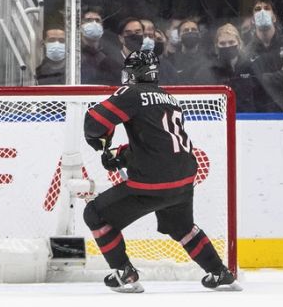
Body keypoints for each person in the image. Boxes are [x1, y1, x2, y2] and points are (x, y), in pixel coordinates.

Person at [82, 50, 240, 293]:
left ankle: (125, 272)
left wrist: (101, 142)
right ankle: (220, 272)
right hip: (185, 178)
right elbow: (158, 144)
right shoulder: (169, 98)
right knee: (182, 227)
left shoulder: (131, 93)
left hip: (152, 181)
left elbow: (93, 122)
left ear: (134, 73)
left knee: (94, 214)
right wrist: (121, 156)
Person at [245, 0, 283, 112]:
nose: (262, 12)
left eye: (267, 8)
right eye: (257, 9)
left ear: (274, 17)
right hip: (259, 112)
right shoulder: (248, 51)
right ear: (253, 19)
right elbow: (252, 84)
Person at [205, 23, 257, 112]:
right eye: (222, 43)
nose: (227, 46)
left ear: (239, 43)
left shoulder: (250, 66)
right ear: (216, 46)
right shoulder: (212, 70)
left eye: (231, 42)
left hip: (249, 119)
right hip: (221, 119)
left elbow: (259, 96)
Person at [80, 8, 124, 85]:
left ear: (102, 25)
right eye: (88, 20)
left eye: (97, 20)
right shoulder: (74, 52)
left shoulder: (111, 51)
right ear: (80, 25)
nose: (94, 23)